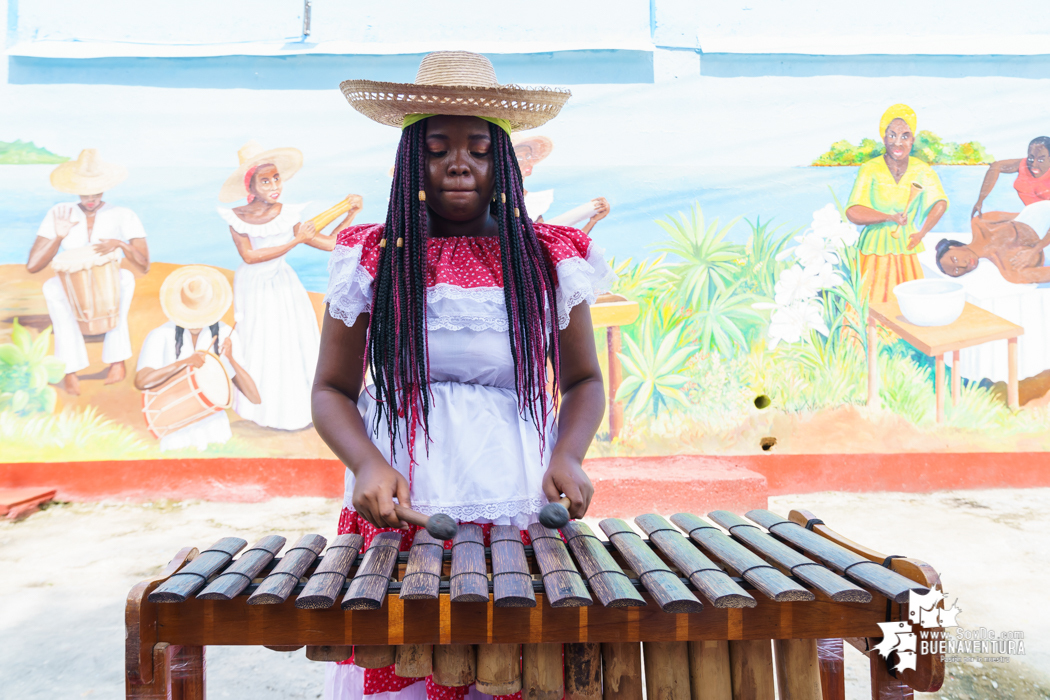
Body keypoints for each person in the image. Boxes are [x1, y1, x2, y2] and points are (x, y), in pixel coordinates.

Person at [315, 51, 612, 699]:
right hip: (404, 493)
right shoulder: (372, 254)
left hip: (515, 485)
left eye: (478, 148)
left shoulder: (548, 257)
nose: (458, 163)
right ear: (408, 162)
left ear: (502, 162)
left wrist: (570, 454)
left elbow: (585, 379)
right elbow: (331, 391)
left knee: (510, 663)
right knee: (408, 658)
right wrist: (366, 464)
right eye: (436, 148)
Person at [217, 141, 362, 430]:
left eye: (276, 178)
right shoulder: (237, 218)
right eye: (265, 180)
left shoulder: (287, 215)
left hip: (283, 285)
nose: (273, 185)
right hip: (253, 286)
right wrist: (295, 241)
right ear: (251, 185)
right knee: (260, 340)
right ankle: (260, 410)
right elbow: (250, 256)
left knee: (288, 341)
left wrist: (350, 214)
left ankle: (294, 411)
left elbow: (331, 244)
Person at [27, 149, 150, 395]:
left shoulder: (123, 214)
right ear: (76, 188)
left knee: (125, 279)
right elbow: (33, 265)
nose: (91, 198)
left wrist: (121, 244)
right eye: (85, 191)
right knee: (51, 288)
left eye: (96, 190)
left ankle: (117, 361)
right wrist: (58, 236)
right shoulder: (60, 212)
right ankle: (70, 369)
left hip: (108, 282)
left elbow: (144, 264)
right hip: (73, 284)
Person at [135, 266, 260, 451]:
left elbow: (254, 397)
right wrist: (183, 363)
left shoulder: (226, 333)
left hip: (216, 430)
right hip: (174, 430)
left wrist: (231, 359)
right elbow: (141, 381)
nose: (196, 321)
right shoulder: (160, 335)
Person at [845, 104, 949, 302]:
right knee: (871, 302)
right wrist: (888, 217)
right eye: (892, 136)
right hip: (873, 247)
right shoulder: (870, 168)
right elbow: (853, 211)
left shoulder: (922, 169)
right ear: (884, 138)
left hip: (906, 245)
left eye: (905, 136)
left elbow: (940, 203)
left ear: (913, 140)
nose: (897, 143)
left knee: (909, 302)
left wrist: (922, 233)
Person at [512, 132, 611, 234]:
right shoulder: (505, 198)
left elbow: (549, 245)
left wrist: (593, 221)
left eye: (528, 156)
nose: (527, 162)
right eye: (519, 158)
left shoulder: (533, 202)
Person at [936, 201, 1050, 283]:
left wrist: (1035, 250)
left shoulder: (980, 223)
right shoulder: (1010, 272)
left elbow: (1025, 214)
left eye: (955, 259)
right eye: (957, 271)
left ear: (954, 247)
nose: (962, 265)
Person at [971, 136, 1050, 217]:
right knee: (980, 221)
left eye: (1041, 160)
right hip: (1033, 216)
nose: (1033, 164)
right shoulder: (1023, 165)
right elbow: (996, 166)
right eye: (1030, 159)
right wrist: (980, 201)